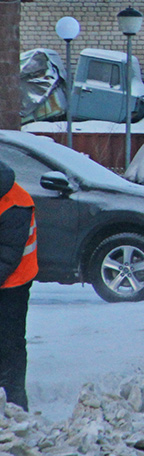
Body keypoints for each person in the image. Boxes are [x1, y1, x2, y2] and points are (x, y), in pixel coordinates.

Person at [0, 160, 37, 410]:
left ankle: (15, 405)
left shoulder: (16, 205)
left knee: (9, 343)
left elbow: (7, 256)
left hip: (14, 281)